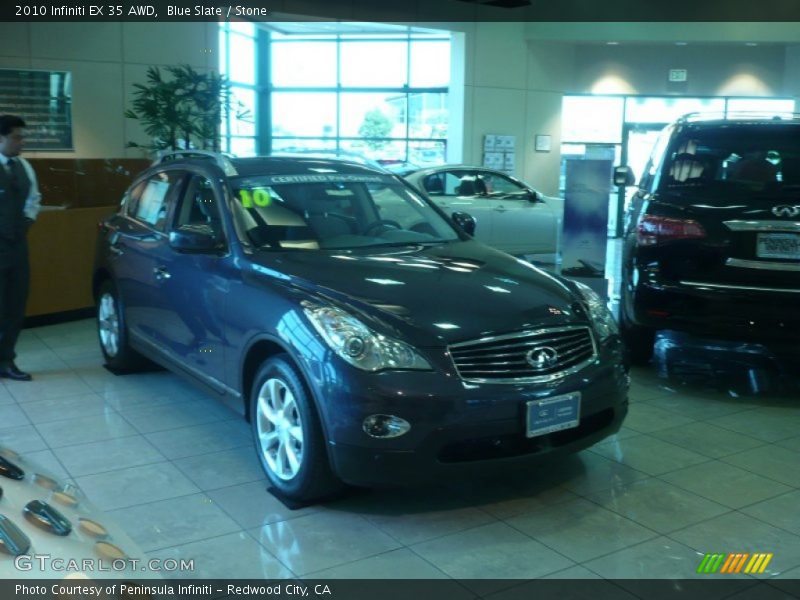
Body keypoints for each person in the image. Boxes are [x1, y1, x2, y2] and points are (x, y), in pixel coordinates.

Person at [0, 115, 41, 381]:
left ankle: (6, 360)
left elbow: (34, 198)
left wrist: (26, 221)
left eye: (21, 137)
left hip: (17, 247)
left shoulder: (24, 166)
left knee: (15, 306)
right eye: (16, 137)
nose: (21, 142)